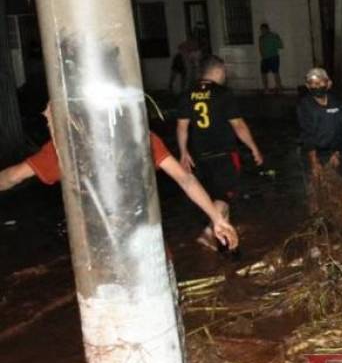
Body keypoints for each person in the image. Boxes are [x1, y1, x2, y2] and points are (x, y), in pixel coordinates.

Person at [0, 104, 238, 250]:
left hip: (101, 254)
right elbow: (185, 178)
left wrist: (216, 218)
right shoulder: (139, 138)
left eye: (49, 111)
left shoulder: (67, 150)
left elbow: (12, 176)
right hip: (143, 246)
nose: (45, 115)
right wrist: (216, 218)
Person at [177, 55, 264, 250]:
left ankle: (226, 236)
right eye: (224, 71)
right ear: (217, 71)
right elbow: (238, 125)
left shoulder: (187, 93)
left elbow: (182, 127)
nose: (225, 75)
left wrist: (183, 152)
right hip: (224, 153)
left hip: (200, 155)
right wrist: (254, 147)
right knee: (224, 198)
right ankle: (209, 233)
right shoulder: (223, 93)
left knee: (217, 194)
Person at [296, 67, 342, 231]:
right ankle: (318, 229)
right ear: (307, 86)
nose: (316, 86)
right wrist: (314, 161)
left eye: (319, 82)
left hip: (334, 151)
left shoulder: (338, 103)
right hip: (313, 153)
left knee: (340, 189)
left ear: (328, 83)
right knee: (315, 191)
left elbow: (341, 129)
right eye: (311, 83)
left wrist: (336, 152)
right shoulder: (304, 105)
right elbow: (307, 133)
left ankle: (341, 225)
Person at [259, 23, 284, 93]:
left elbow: (281, 46)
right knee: (263, 74)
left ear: (267, 29)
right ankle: (266, 89)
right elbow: (260, 48)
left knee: (276, 73)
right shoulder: (261, 38)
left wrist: (278, 39)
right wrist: (262, 55)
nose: (262, 31)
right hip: (265, 58)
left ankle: (279, 88)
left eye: (264, 30)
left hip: (273, 57)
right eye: (261, 30)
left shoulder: (273, 36)